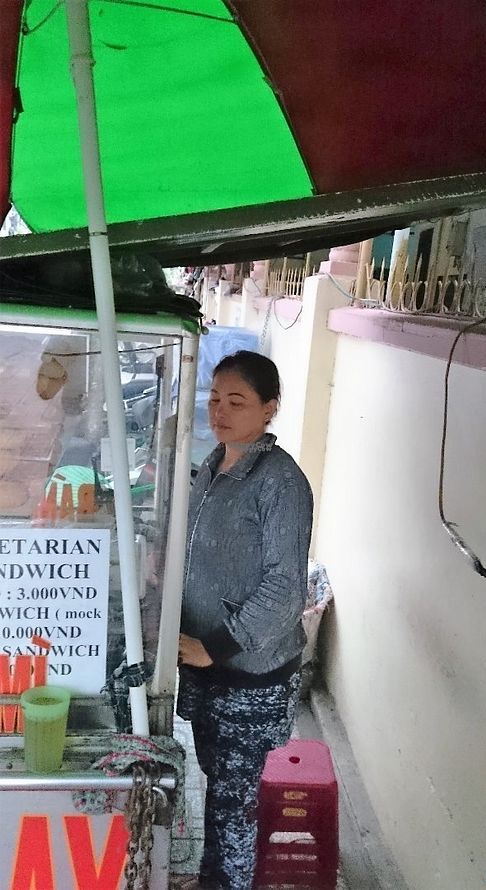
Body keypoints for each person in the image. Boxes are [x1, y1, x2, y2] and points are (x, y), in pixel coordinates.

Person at [177, 350, 313, 890]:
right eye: (214, 399)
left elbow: (285, 590)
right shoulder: (212, 466)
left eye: (237, 401)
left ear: (269, 408)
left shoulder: (280, 482)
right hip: (208, 666)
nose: (220, 411)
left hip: (250, 674)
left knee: (236, 803)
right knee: (219, 783)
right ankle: (213, 876)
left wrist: (216, 645)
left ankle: (227, 880)